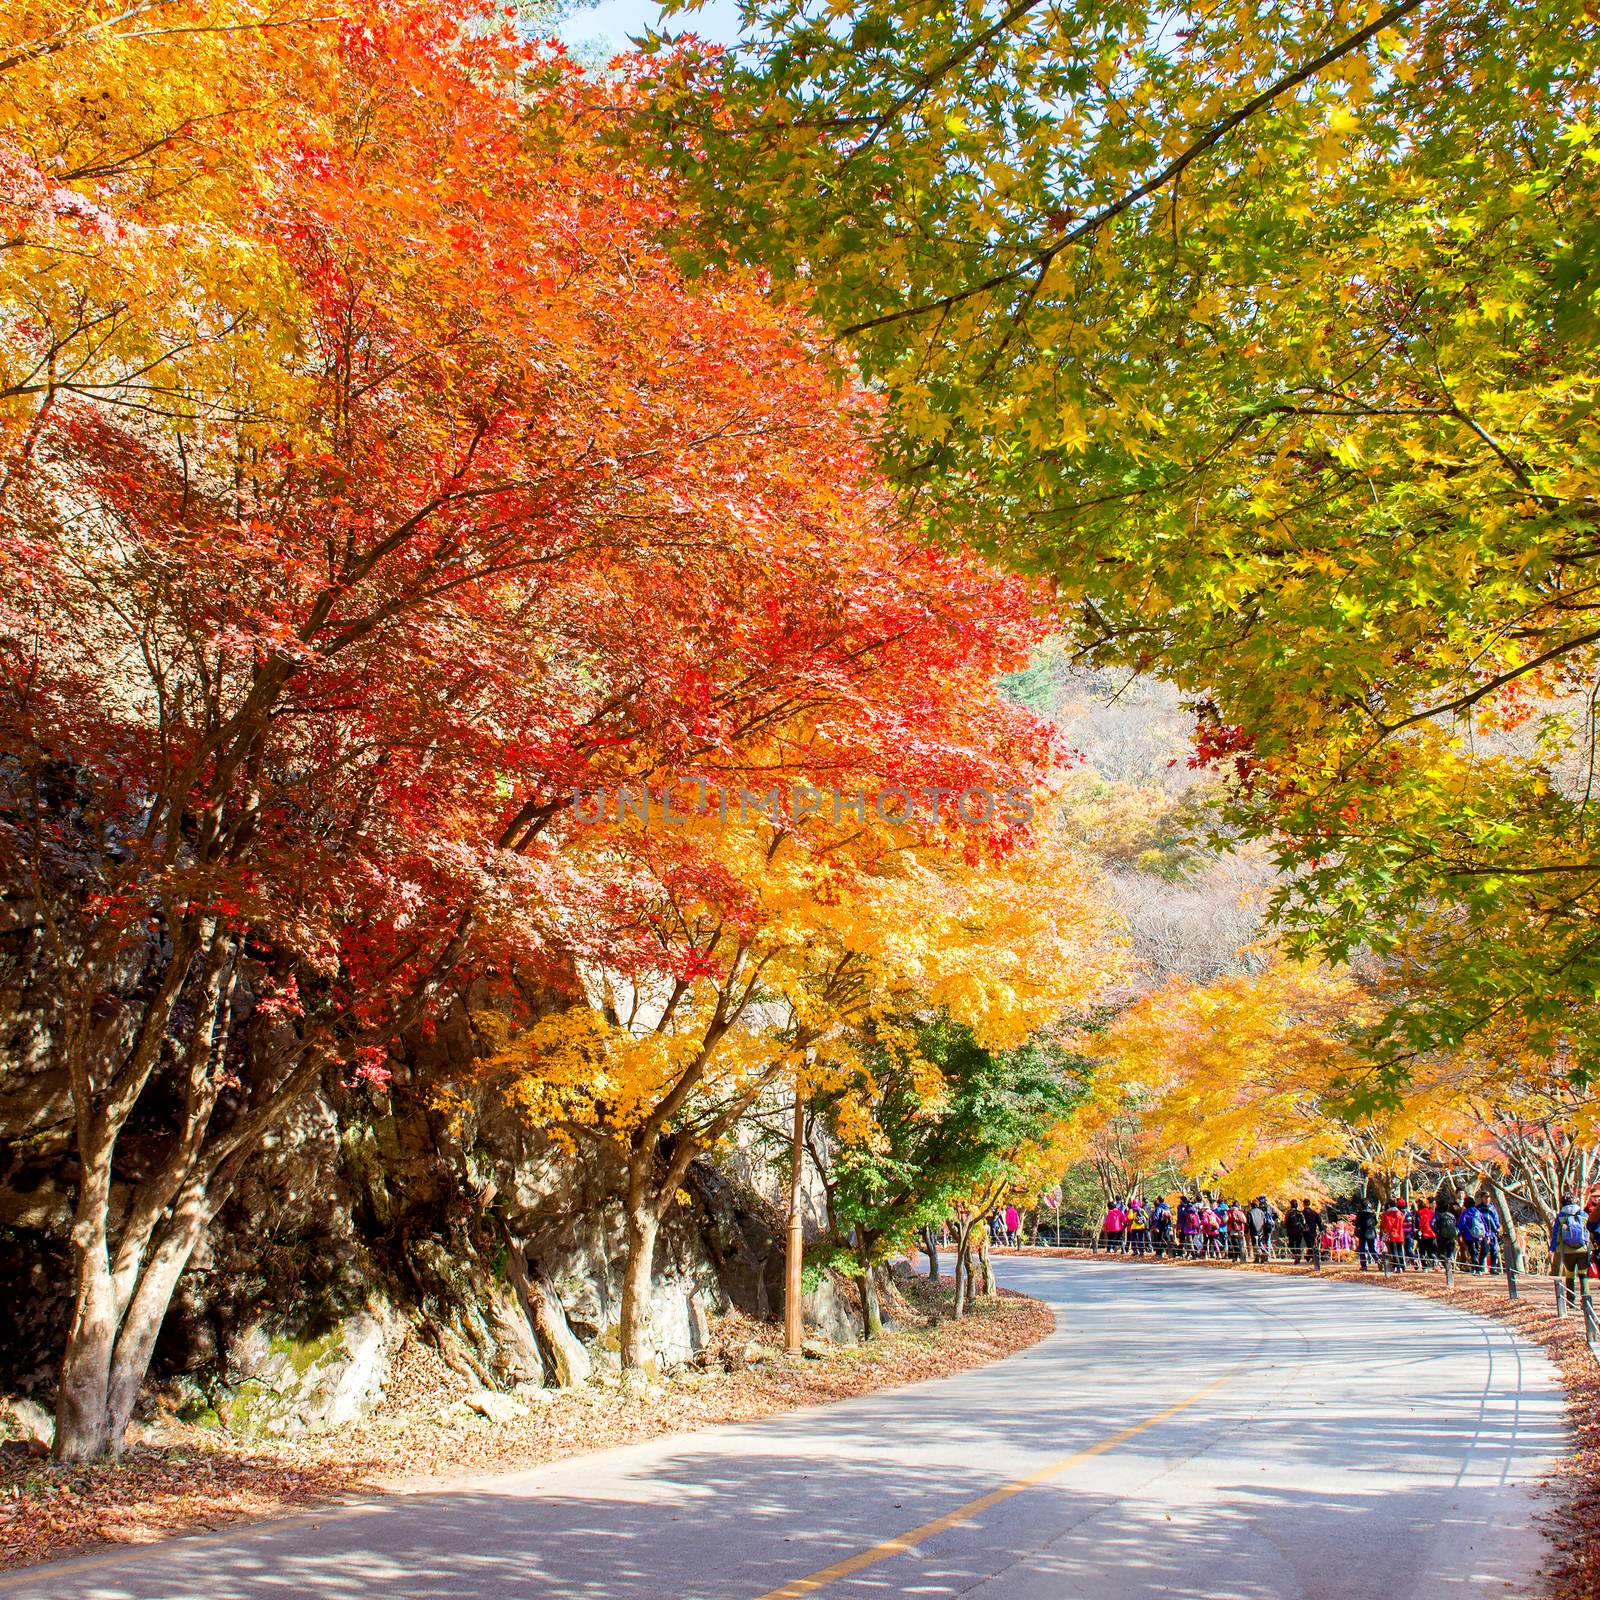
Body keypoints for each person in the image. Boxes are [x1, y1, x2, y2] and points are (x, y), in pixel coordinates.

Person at [1551, 1195, 1591, 1309]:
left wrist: (1553, 1248)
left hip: (1567, 1251)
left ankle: (1571, 1301)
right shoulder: (1583, 1214)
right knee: (1583, 1275)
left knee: (1570, 1274)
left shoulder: (1561, 1216)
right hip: (1583, 1249)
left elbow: (1555, 1234)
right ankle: (1586, 1300)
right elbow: (1589, 1231)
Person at [1459, 1198, 1487, 1272]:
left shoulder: (1465, 1212)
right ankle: (1476, 1268)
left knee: (1472, 1252)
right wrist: (1486, 1234)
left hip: (1469, 1235)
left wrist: (1459, 1232)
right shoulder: (1478, 1212)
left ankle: (1476, 1268)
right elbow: (1484, 1223)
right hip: (1479, 1235)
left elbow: (1461, 1223)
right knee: (1476, 1251)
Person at [1380, 1198, 1407, 1271]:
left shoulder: (1386, 1214)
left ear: (1389, 1205)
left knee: (1394, 1251)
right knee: (1400, 1251)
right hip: (1400, 1234)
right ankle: (1402, 1266)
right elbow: (1403, 1224)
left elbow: (1382, 1225)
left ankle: (1397, 1266)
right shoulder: (1400, 1214)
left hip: (1392, 1235)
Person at [1433, 1201, 1459, 1277]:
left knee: (1440, 1253)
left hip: (1441, 1236)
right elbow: (1455, 1225)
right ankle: (1450, 1267)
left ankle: (1446, 1265)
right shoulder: (1452, 1216)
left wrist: (1436, 1231)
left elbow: (1431, 1223)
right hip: (1451, 1236)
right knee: (1450, 1252)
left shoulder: (1438, 1216)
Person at [1354, 1196, 1379, 1270]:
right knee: (1372, 1248)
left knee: (1362, 1249)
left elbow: (1357, 1223)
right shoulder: (1372, 1213)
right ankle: (1378, 1260)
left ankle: (1364, 1265)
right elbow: (1376, 1222)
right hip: (1371, 1232)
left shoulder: (1360, 1213)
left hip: (1362, 1233)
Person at [1301, 1198, 1323, 1269]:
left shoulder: (1302, 1213)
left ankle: (1309, 1256)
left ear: (1304, 1204)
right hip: (1313, 1230)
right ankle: (1311, 1256)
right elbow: (1319, 1221)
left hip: (1306, 1231)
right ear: (1309, 1204)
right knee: (1312, 1244)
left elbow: (1301, 1222)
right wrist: (1321, 1228)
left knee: (1309, 1244)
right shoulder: (1314, 1213)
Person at [1416, 1198, 1436, 1269]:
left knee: (1422, 1251)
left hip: (1423, 1234)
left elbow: (1418, 1224)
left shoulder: (1418, 1213)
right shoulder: (1431, 1212)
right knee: (1431, 1251)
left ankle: (1425, 1267)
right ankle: (1435, 1262)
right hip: (1432, 1234)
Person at [1284, 1199, 1305, 1264]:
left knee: (1291, 1245)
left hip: (1291, 1231)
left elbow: (1285, 1223)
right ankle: (1298, 1257)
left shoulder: (1288, 1212)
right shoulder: (1300, 1212)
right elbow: (1304, 1222)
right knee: (1298, 1244)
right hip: (1299, 1230)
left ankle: (1296, 1255)